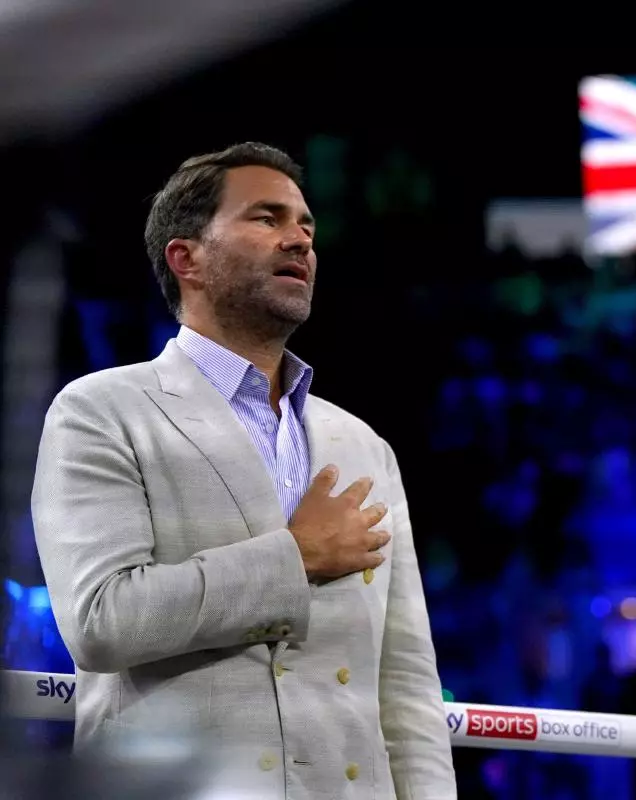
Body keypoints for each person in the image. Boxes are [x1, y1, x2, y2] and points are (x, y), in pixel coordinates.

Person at [31, 142, 458, 799]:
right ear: (187, 258)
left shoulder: (363, 444)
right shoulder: (100, 412)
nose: (300, 240)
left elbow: (405, 682)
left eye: (307, 225)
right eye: (267, 218)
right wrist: (297, 556)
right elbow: (101, 622)